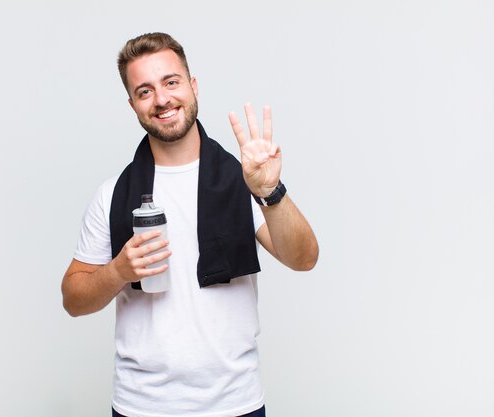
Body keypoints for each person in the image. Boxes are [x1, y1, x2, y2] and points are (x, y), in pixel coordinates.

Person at [62, 32, 319, 417]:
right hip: (141, 406)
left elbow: (304, 259)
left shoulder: (241, 178)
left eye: (171, 82)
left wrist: (270, 191)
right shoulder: (113, 193)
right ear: (132, 104)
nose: (162, 99)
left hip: (235, 403)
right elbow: (73, 299)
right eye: (145, 91)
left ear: (192, 85)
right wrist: (117, 270)